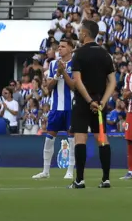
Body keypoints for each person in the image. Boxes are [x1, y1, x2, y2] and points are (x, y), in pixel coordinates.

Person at [67, 18, 117, 189]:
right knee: (102, 138)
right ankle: (106, 179)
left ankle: (79, 180)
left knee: (80, 138)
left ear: (86, 33)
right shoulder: (105, 54)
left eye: (80, 31)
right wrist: (102, 101)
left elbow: (77, 81)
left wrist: (89, 100)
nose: (79, 33)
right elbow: (112, 82)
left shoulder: (79, 54)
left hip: (83, 102)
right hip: (100, 103)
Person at [33, 39, 76, 180]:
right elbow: (49, 88)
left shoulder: (76, 63)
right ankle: (45, 171)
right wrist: (58, 73)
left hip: (71, 107)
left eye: (63, 46)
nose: (60, 49)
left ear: (71, 48)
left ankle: (70, 170)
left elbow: (74, 86)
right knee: (49, 138)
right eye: (59, 47)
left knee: (72, 139)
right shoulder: (52, 64)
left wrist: (63, 72)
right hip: (56, 107)